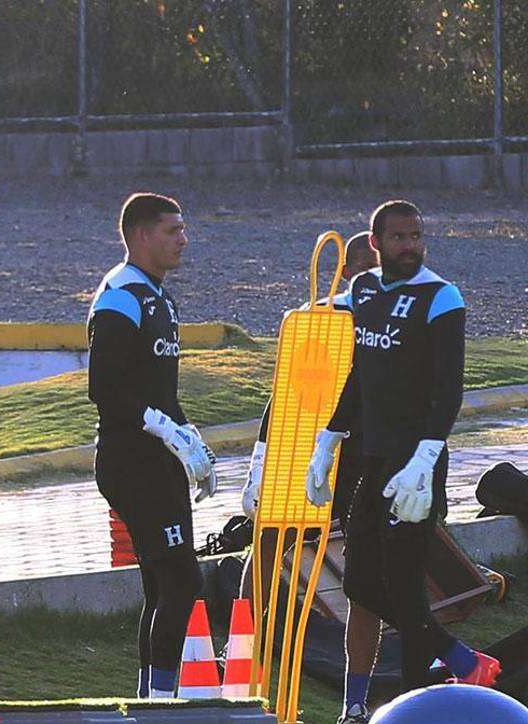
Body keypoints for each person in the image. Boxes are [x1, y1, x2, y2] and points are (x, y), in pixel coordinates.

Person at [306, 200, 500, 723]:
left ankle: (419, 698)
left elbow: (449, 389)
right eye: (399, 238)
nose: (410, 246)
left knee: (405, 584)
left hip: (417, 466)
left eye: (417, 235)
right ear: (376, 243)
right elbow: (361, 373)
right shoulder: (364, 292)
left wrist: (428, 452)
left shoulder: (441, 296)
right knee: (358, 584)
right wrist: (329, 437)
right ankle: (461, 659)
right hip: (373, 460)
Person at [238, 232, 380, 723]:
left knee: (367, 581)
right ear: (345, 271)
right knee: (268, 547)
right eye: (365, 268)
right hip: (316, 451)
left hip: (371, 461)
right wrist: (261, 465)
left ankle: (355, 702)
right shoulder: (320, 318)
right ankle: (242, 659)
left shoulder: (407, 320)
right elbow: (284, 394)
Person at [88, 192, 217, 699]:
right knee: (183, 581)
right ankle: (161, 702)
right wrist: (163, 429)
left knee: (162, 585)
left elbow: (161, 392)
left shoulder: (160, 297)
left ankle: (149, 699)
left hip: (157, 460)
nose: (183, 239)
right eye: (172, 230)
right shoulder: (120, 294)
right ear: (141, 235)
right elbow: (106, 389)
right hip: (132, 460)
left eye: (183, 229)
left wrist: (192, 439)